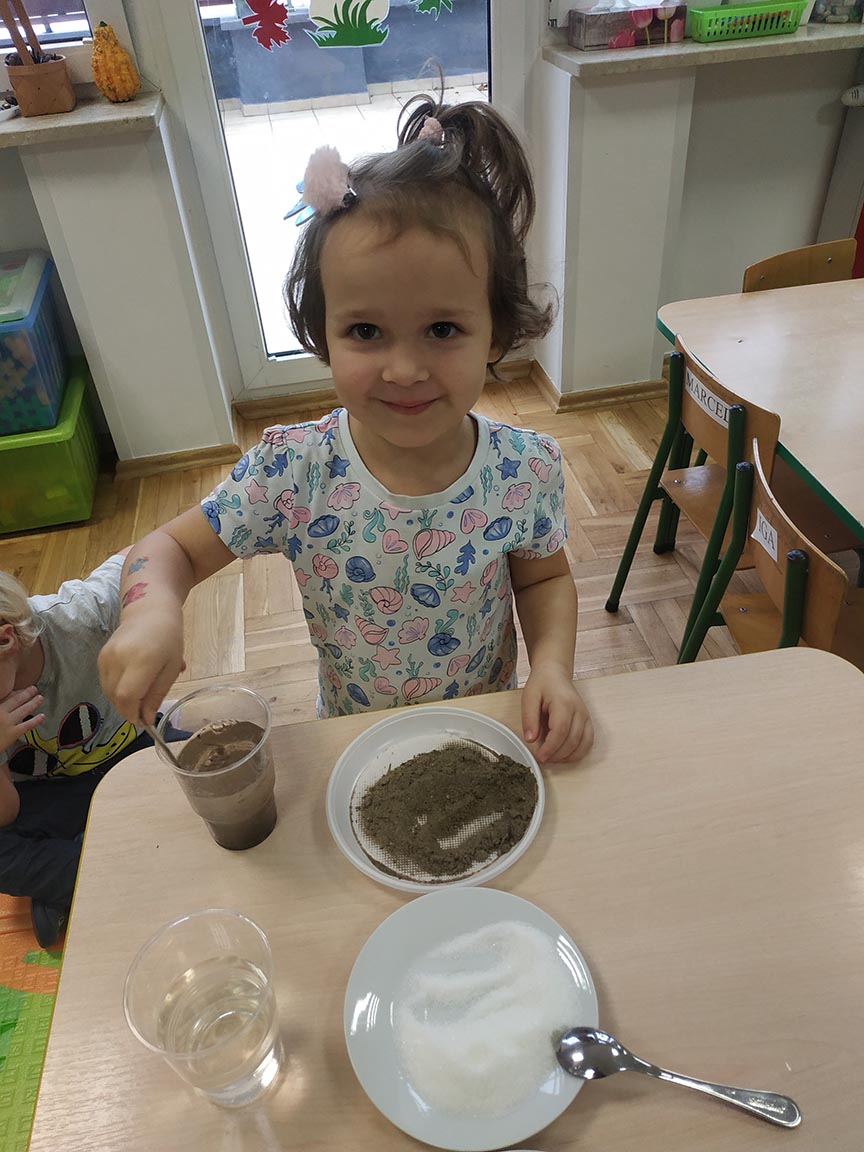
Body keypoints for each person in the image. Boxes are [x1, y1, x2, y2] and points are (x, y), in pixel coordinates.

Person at [99, 95, 594, 764]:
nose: (404, 369)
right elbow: (168, 550)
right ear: (323, 334)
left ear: (496, 333)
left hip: (482, 732)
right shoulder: (293, 471)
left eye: (442, 328)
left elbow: (543, 582)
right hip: (354, 744)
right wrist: (149, 612)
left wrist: (554, 671)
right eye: (365, 330)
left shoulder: (524, 471)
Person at [0, 553, 151, 948]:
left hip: (129, 756)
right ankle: (107, 874)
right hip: (50, 793)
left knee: (203, 769)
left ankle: (75, 882)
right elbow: (6, 814)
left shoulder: (80, 616)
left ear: (6, 639)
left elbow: (145, 555)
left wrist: (154, 624)